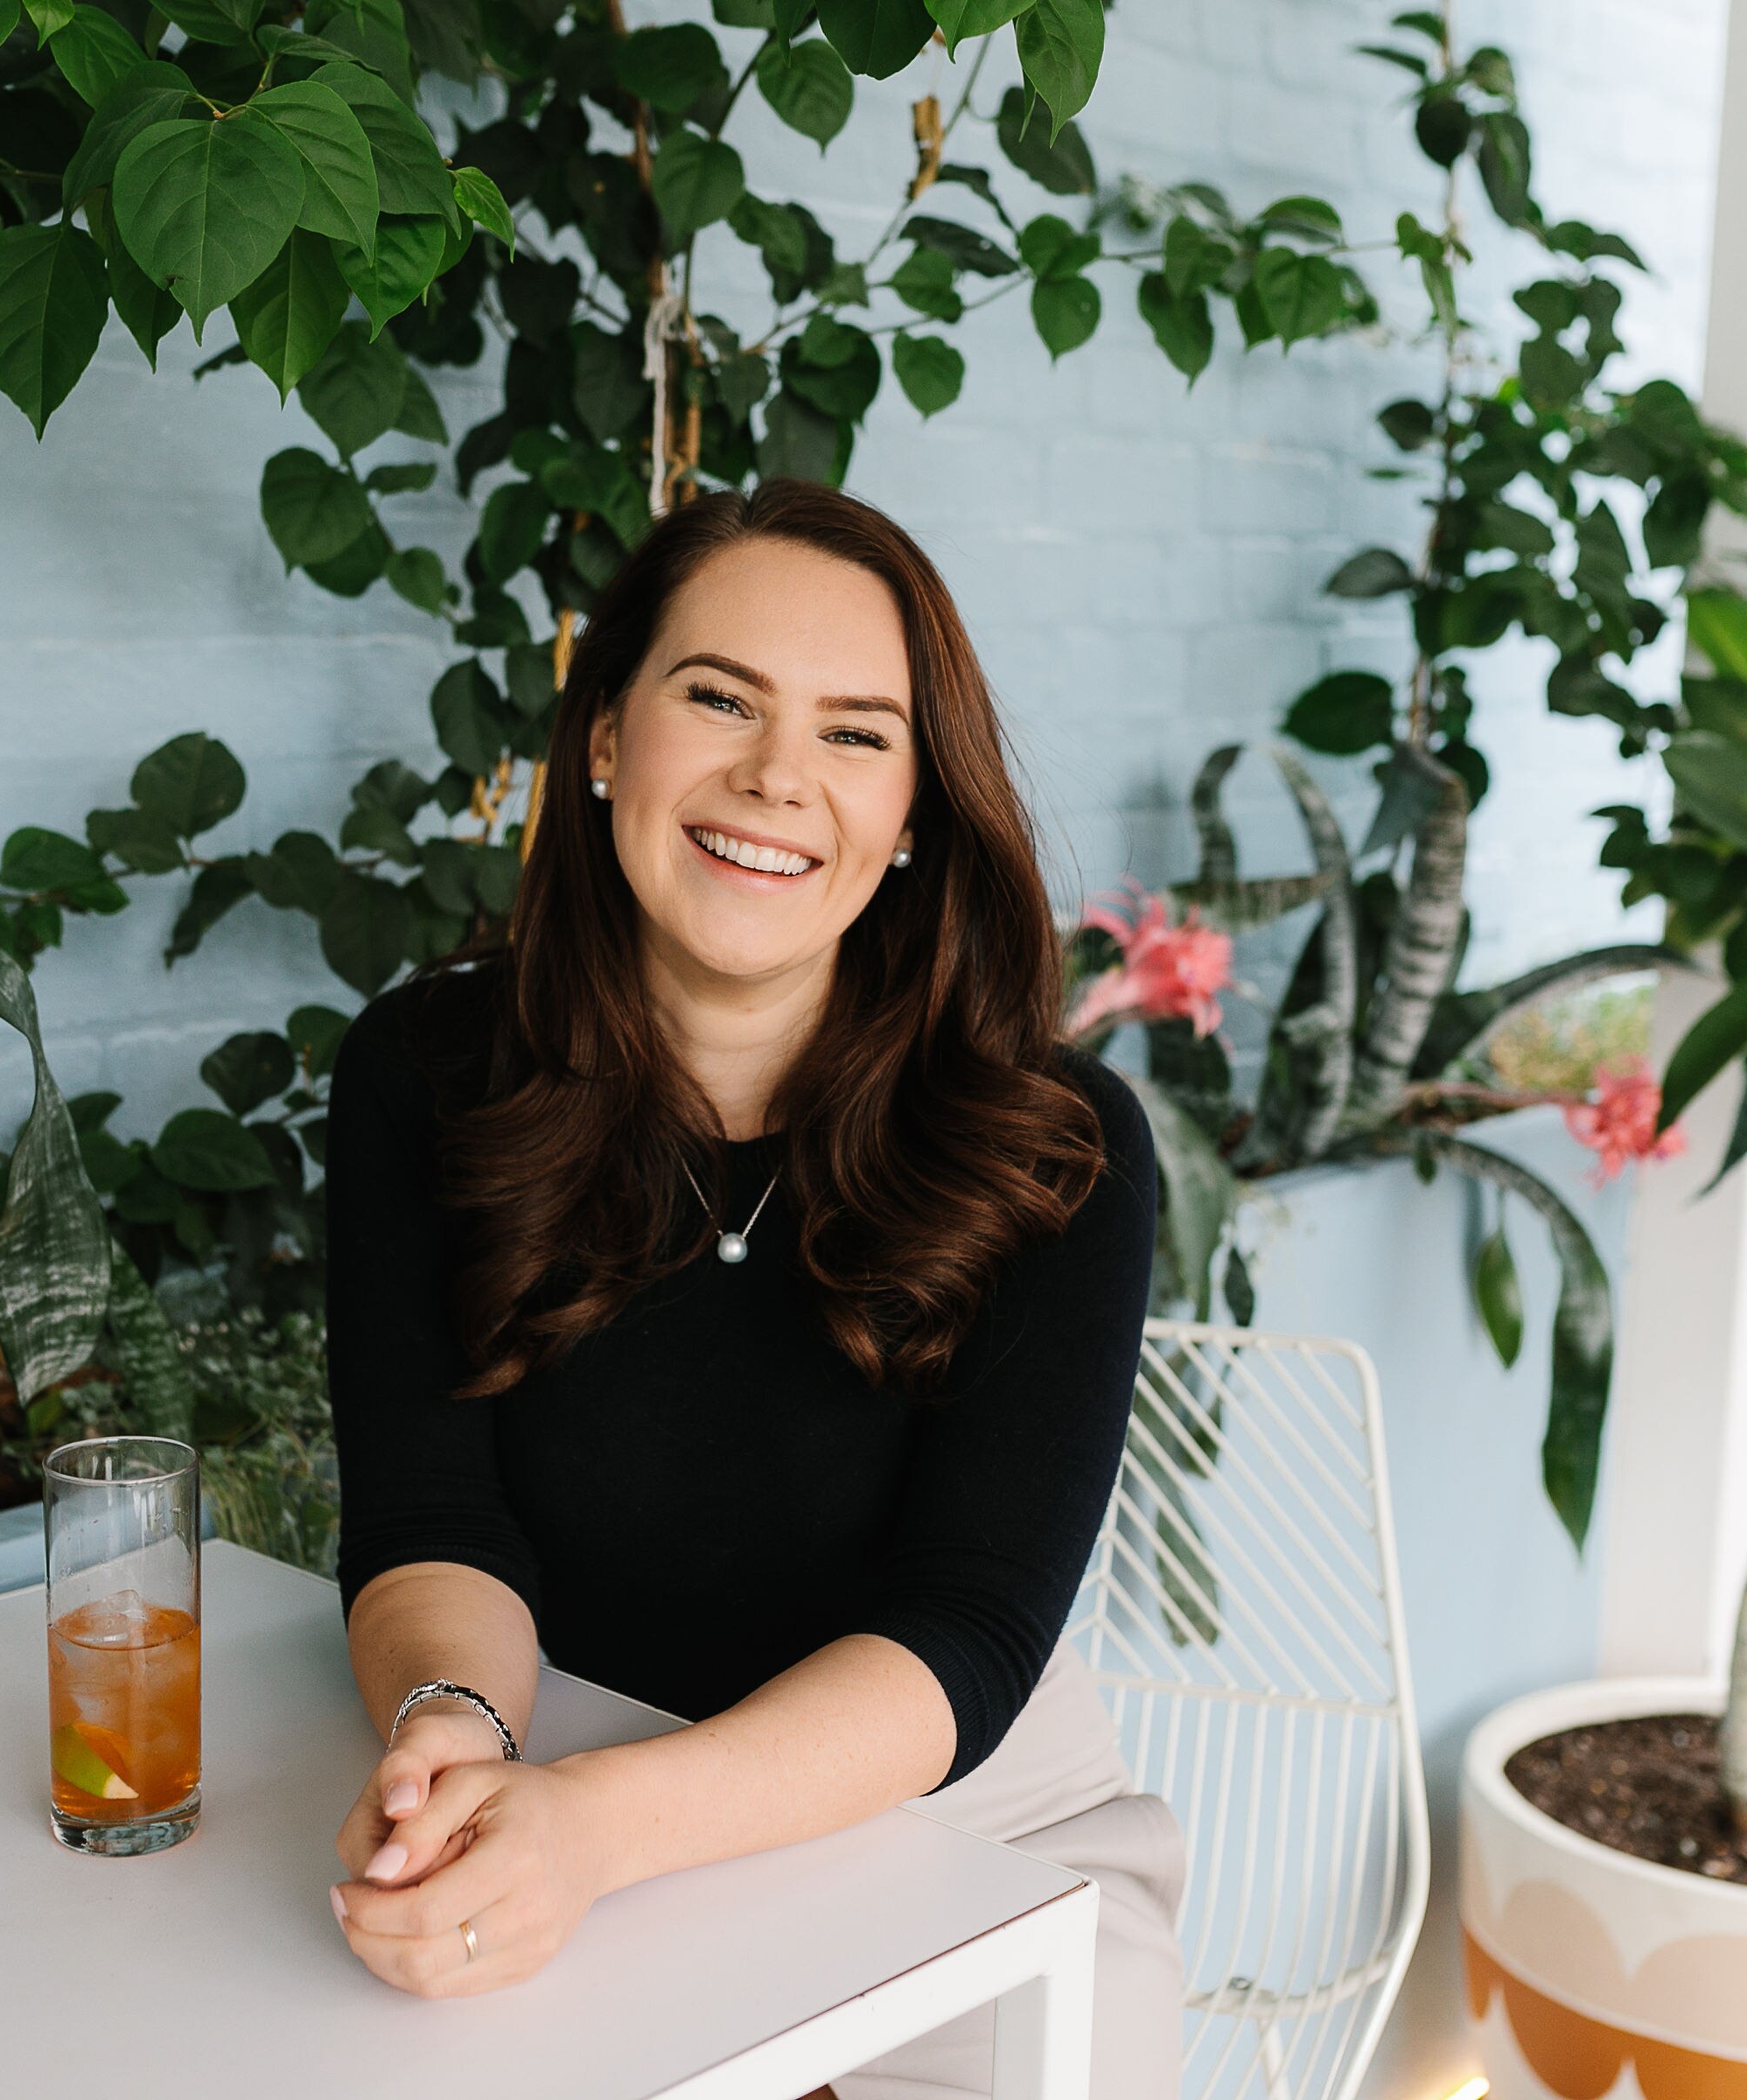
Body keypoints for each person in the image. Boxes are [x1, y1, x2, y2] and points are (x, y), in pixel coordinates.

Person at [324, 478, 1184, 2099]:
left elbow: (969, 1632)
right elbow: (432, 1519)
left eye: (857, 733)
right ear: (601, 736)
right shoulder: (426, 1078)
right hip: (561, 1747)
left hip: (959, 1811)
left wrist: (606, 1827)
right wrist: (456, 1732)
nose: (778, 778)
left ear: (919, 805)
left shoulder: (1054, 1146)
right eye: (719, 698)